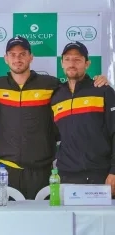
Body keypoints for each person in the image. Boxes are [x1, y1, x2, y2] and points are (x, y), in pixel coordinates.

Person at [0, 36, 108, 200]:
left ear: (31, 57)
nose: (17, 59)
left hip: (43, 170)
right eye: (12, 55)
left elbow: (74, 90)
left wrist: (100, 80)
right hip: (7, 171)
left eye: (22, 54)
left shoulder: (51, 85)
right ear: (6, 58)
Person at [51, 41, 115, 194]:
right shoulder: (56, 96)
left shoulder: (103, 90)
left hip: (99, 175)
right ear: (61, 63)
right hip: (66, 175)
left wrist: (114, 171)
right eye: (67, 59)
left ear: (87, 63)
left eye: (77, 59)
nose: (72, 64)